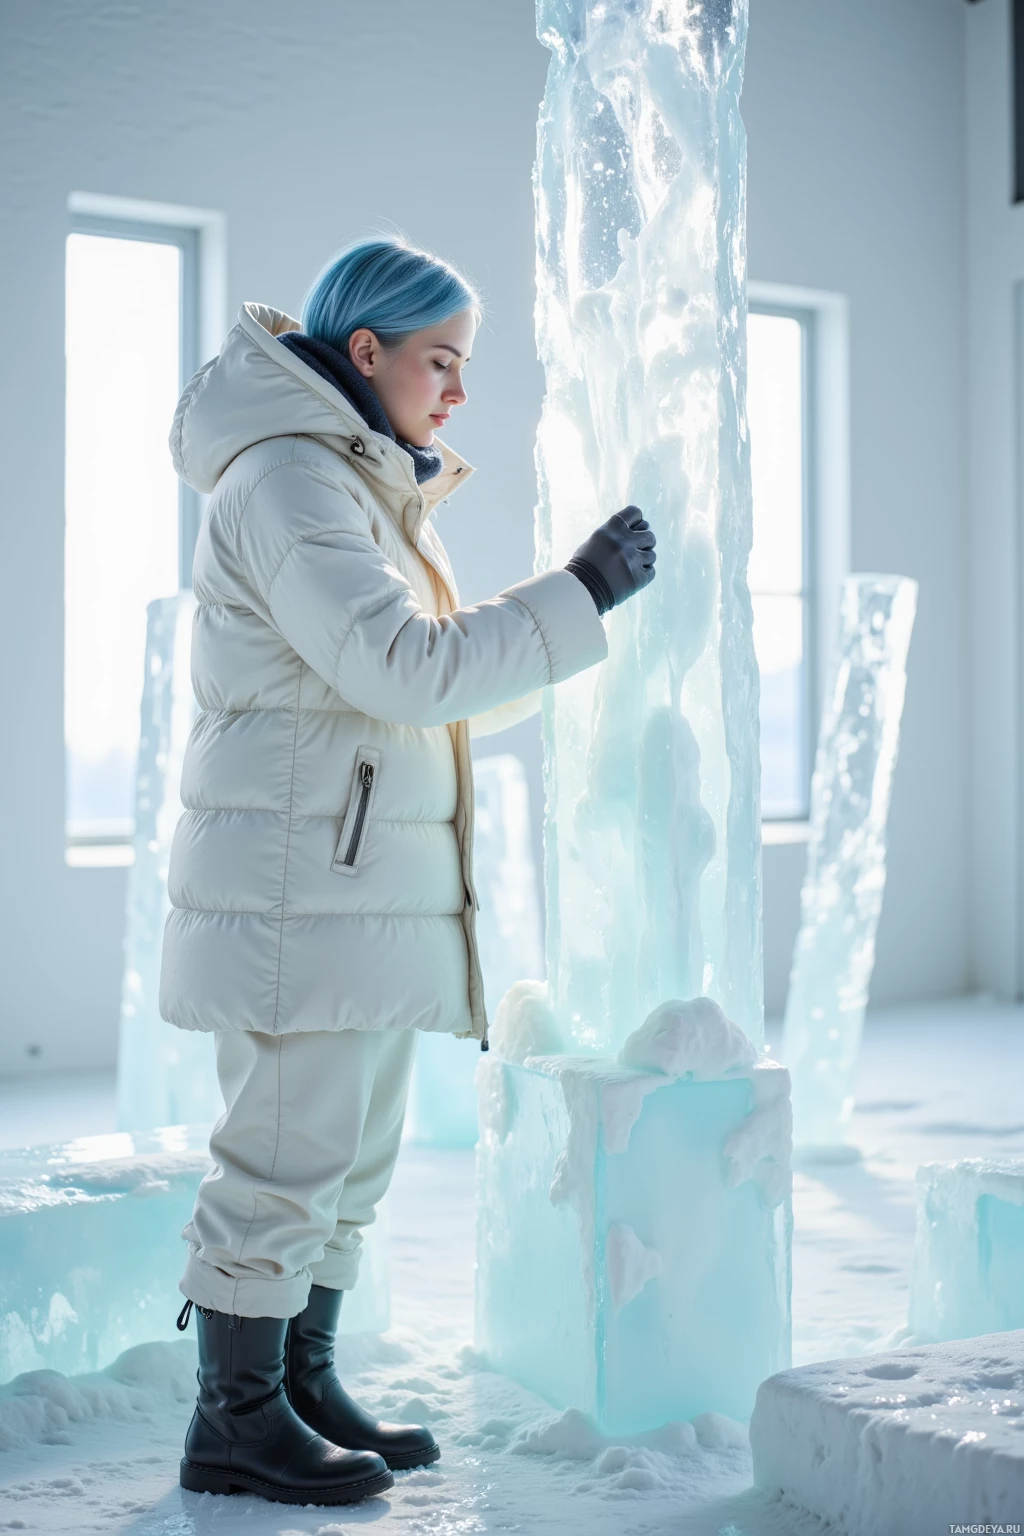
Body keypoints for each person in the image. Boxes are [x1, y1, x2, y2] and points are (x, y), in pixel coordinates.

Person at [159, 236, 656, 1508]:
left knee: (345, 1160)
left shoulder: (353, 482)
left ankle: (300, 1383)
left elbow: (418, 700)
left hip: (344, 891)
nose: (458, 391)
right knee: (280, 1160)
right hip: (297, 899)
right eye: (442, 360)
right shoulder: (285, 480)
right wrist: (579, 594)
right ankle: (236, 1418)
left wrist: (558, 622)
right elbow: (407, 669)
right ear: (366, 352)